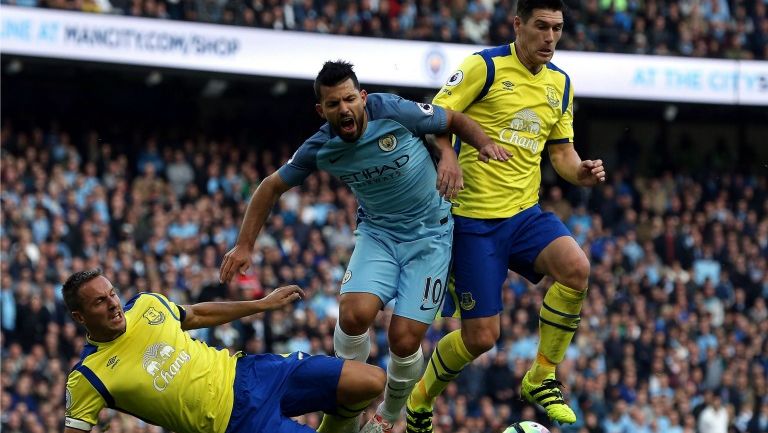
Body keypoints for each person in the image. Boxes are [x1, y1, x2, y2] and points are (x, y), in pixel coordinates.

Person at [219, 60, 508, 433]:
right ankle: (347, 406)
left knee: (404, 340)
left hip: (431, 237)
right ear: (321, 111)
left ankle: (388, 418)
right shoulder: (321, 146)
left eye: (350, 99)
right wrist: (244, 246)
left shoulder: (392, 110)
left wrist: (467, 150)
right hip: (379, 234)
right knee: (353, 314)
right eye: (334, 104)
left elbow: (451, 119)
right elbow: (270, 187)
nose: (345, 109)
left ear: (363, 97)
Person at [406, 0, 606, 430]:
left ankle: (541, 376)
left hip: (524, 214)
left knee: (576, 268)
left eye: (557, 28)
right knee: (482, 338)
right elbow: (435, 118)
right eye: (541, 27)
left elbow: (562, 153)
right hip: (472, 221)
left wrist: (581, 173)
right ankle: (419, 400)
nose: (550, 38)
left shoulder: (560, 84)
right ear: (517, 24)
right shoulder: (483, 67)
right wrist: (448, 158)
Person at [62, 268, 386, 433]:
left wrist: (262, 304)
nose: (113, 304)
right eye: (99, 301)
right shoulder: (88, 376)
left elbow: (199, 314)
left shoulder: (148, 305)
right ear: (80, 316)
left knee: (371, 381)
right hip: (233, 424)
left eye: (112, 294)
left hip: (251, 373)